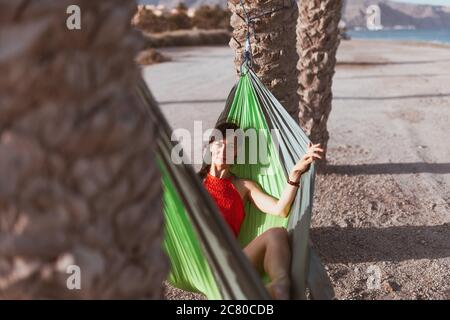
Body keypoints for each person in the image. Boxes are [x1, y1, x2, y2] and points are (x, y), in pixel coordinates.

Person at [199, 122, 323, 299]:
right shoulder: (193, 184)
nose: (223, 150)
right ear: (210, 146)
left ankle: (280, 286)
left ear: (237, 153)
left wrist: (295, 174)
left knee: (276, 234)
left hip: (230, 262)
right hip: (197, 260)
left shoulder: (243, 186)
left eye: (231, 146)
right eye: (219, 144)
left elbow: (280, 210)